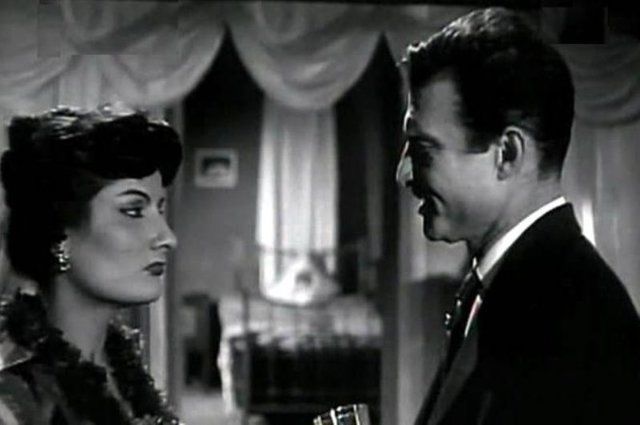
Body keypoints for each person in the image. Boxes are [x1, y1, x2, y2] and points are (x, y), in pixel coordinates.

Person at [395, 7, 640, 425]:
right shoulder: (508, 286)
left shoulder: (573, 318)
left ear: (507, 154)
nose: (403, 173)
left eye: (422, 149)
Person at [0, 104, 183, 425]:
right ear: (59, 233)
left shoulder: (120, 370)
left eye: (160, 210)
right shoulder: (15, 402)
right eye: (133, 211)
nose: (167, 238)